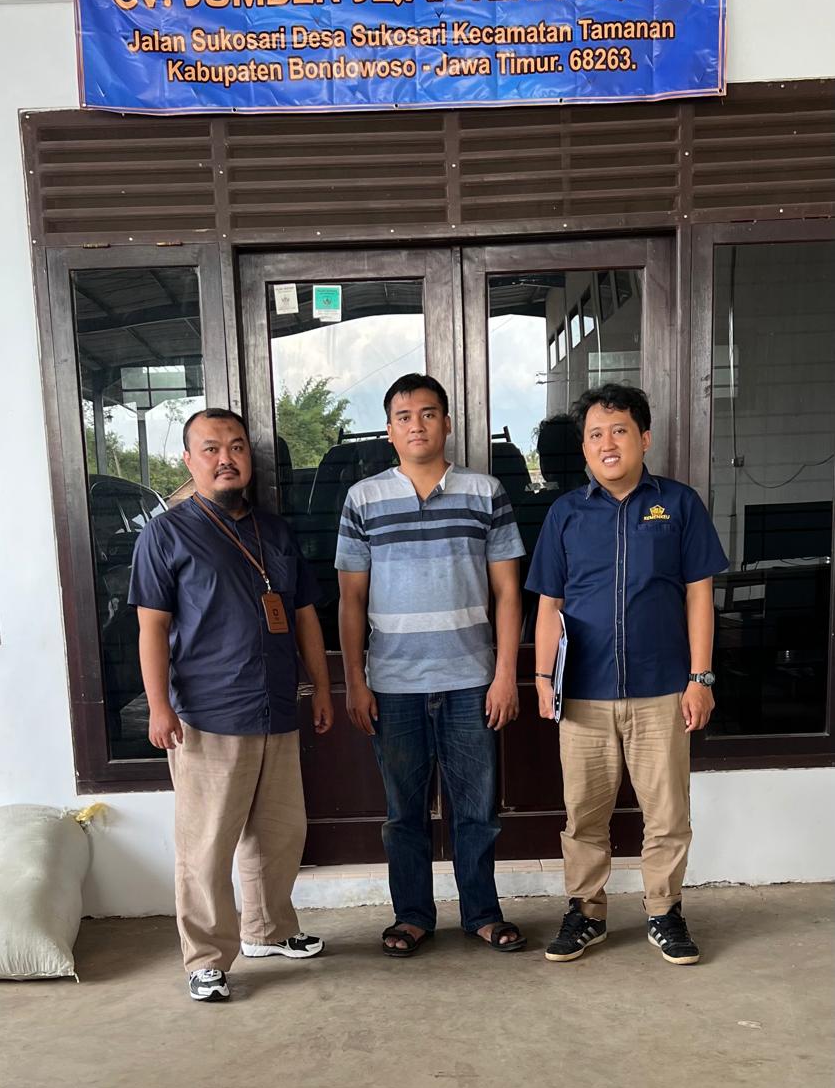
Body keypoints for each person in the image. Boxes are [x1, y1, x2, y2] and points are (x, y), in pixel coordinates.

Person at [129, 408, 334, 1002]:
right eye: (212, 448)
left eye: (237, 447)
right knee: (207, 846)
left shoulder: (275, 531)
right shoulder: (165, 534)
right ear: (189, 461)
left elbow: (303, 616)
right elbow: (151, 628)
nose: (226, 458)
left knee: (279, 834)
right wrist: (159, 706)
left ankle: (269, 930)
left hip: (276, 707)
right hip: (207, 715)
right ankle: (205, 958)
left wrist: (321, 688)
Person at [527, 383, 728, 967]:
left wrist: (700, 678)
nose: (607, 443)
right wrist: (542, 678)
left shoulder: (679, 505)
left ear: (644, 438)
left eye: (619, 431)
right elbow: (549, 604)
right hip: (582, 693)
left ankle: (665, 911)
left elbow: (699, 595)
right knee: (584, 814)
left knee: (667, 814)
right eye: (595, 434)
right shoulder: (566, 513)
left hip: (662, 689)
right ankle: (586, 913)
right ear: (584, 448)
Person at [335, 374, 527, 957]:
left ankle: (482, 914)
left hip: (471, 681)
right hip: (393, 685)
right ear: (389, 430)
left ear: (446, 422)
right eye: (403, 416)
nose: (416, 425)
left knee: (476, 811)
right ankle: (413, 916)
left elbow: (509, 594)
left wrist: (505, 675)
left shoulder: (485, 492)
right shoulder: (363, 499)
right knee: (404, 814)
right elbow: (350, 600)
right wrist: (355, 681)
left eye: (427, 413)